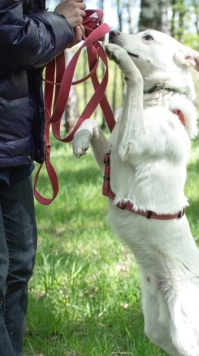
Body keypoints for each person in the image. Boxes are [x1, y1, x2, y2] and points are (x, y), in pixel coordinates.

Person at [0, 0, 86, 355]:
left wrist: (56, 36)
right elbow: (11, 38)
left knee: (19, 265)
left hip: (12, 142)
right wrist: (60, 23)